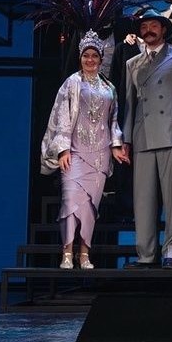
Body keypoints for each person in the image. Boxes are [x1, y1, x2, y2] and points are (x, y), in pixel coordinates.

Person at [39, 31, 127, 269]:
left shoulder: (109, 87)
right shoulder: (71, 83)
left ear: (100, 59)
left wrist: (116, 146)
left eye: (94, 56)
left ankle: (85, 253)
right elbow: (62, 117)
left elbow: (113, 120)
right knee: (70, 201)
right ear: (80, 58)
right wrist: (63, 150)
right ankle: (67, 252)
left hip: (99, 155)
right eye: (86, 55)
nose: (90, 59)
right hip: (75, 153)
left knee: (89, 207)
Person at [123, 9, 172, 269]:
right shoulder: (132, 63)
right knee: (143, 200)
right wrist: (126, 139)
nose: (149, 30)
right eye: (144, 26)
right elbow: (129, 105)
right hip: (143, 135)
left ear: (164, 29)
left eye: (154, 25)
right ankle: (145, 254)